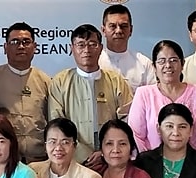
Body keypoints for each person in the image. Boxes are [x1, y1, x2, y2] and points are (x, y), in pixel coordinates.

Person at [49, 24, 133, 164]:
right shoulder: (60, 82)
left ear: (100, 48)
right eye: (80, 45)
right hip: (72, 159)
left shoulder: (116, 81)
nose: (86, 50)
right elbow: (57, 124)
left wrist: (104, 151)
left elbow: (127, 120)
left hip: (112, 159)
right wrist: (84, 154)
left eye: (92, 44)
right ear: (72, 49)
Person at [127, 40, 196, 151]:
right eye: (162, 61)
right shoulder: (143, 94)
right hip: (150, 164)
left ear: (182, 64)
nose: (168, 65)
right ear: (154, 66)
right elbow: (136, 135)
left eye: (173, 60)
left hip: (194, 164)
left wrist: (195, 163)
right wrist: (148, 161)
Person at [0, 22, 53, 163]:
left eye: (26, 42)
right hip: (4, 160)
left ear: (34, 47)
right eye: (15, 42)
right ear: (5, 47)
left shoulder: (46, 81)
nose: (21, 46)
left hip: (39, 160)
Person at [98, 4, 156, 92]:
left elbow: (153, 97)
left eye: (123, 26)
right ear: (103, 30)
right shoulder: (95, 62)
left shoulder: (144, 64)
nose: (118, 31)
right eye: (113, 26)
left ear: (131, 30)